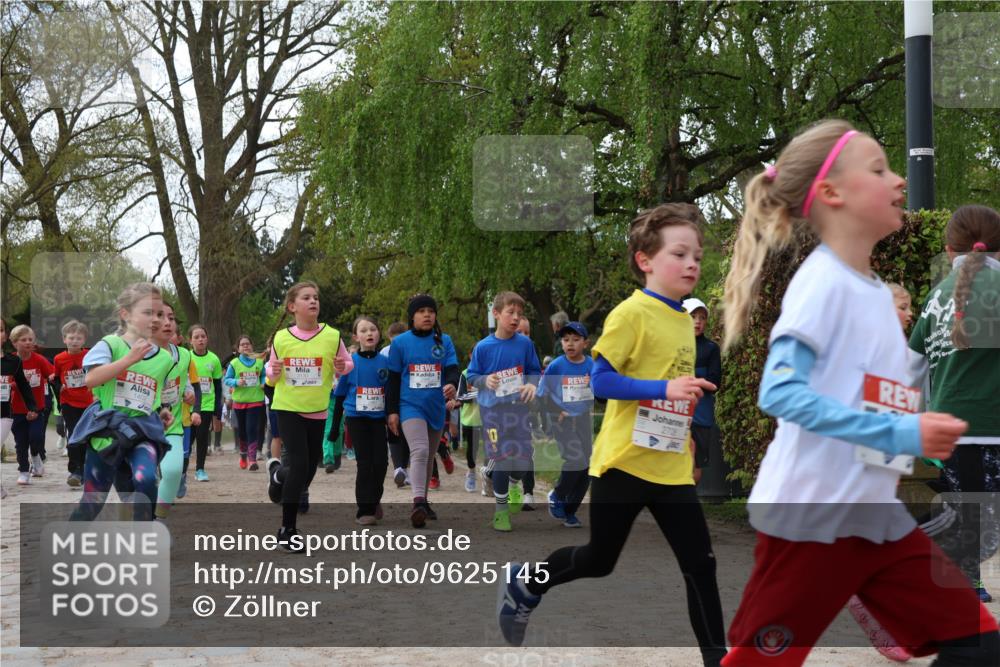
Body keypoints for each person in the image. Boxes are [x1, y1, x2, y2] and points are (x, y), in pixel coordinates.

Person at [718, 120, 997, 666]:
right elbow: (781, 392)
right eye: (879, 169)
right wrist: (901, 431)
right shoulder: (822, 283)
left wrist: (907, 430)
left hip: (875, 519)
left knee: (979, 645)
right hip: (812, 519)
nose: (899, 181)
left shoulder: (872, 291)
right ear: (832, 193)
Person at [496, 203, 726, 666]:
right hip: (623, 464)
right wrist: (664, 389)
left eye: (697, 256)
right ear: (645, 260)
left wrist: (683, 413)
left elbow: (670, 382)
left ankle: (718, 660)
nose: (692, 264)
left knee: (700, 565)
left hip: (670, 467)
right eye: (680, 254)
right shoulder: (630, 313)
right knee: (599, 560)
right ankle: (527, 581)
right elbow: (601, 382)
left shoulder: (684, 320)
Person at [909, 204, 1000, 604]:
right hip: (990, 425)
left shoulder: (934, 297)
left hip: (947, 429)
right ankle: (888, 553)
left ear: (949, 250)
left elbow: (909, 369)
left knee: (968, 514)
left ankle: (963, 584)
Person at [70, 283, 174, 522]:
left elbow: (152, 391)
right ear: (125, 314)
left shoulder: (165, 358)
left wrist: (162, 410)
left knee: (146, 478)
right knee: (92, 503)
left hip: (143, 430)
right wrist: (129, 359)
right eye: (148, 312)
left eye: (160, 314)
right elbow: (91, 379)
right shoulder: (110, 344)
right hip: (108, 432)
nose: (156, 319)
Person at [265, 281, 351, 552]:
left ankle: (278, 475)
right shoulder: (281, 338)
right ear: (293, 306)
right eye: (306, 298)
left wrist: (343, 366)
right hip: (288, 407)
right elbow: (270, 373)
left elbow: (347, 363)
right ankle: (287, 530)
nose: (313, 301)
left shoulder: (332, 336)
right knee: (300, 465)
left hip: (317, 409)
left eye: (316, 297)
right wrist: (272, 372)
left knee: (310, 467)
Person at [468, 292, 541, 531]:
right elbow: (471, 375)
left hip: (518, 410)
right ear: (496, 314)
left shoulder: (525, 344)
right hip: (492, 412)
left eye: (520, 314)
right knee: (500, 460)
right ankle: (501, 512)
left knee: (522, 461)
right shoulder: (483, 347)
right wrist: (485, 380)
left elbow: (534, 371)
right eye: (511, 312)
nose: (516, 318)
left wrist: (532, 385)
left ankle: (513, 483)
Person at [386, 294, 459, 528]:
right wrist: (392, 411)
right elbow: (393, 380)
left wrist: (452, 384)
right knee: (420, 449)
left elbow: (452, 369)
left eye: (431, 311)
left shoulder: (444, 341)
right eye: (421, 311)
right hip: (410, 405)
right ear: (412, 317)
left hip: (436, 406)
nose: (427, 315)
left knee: (428, 455)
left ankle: (424, 501)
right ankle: (417, 502)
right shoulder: (400, 343)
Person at [328, 316, 389, 524]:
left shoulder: (386, 363)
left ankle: (374, 499)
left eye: (373, 329)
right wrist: (334, 429)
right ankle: (364, 510)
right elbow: (339, 396)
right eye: (363, 330)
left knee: (380, 463)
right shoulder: (350, 363)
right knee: (365, 463)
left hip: (378, 419)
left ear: (379, 334)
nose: (369, 333)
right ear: (356, 337)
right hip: (356, 418)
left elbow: (391, 393)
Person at [538, 321, 594, 528]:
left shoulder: (592, 365)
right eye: (565, 339)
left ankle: (569, 511)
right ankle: (557, 494)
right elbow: (541, 394)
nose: (570, 343)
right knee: (575, 460)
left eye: (575, 339)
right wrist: (555, 411)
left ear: (585, 343)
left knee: (587, 468)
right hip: (562, 420)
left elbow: (599, 391)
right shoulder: (556, 366)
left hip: (583, 419)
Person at [152, 301, 200, 519]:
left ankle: (158, 518)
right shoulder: (136, 353)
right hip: (141, 427)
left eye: (170, 318)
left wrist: (189, 393)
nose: (167, 322)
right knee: (144, 480)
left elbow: (184, 382)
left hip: (172, 426)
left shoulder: (185, 355)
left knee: (172, 472)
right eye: (160, 316)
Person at [682, 298, 722, 485]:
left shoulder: (711, 348)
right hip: (674, 412)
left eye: (702, 317)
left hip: (701, 414)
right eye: (693, 316)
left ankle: (688, 498)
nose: (697, 321)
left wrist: (688, 380)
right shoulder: (671, 345)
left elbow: (714, 383)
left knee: (695, 470)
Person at [8, 324, 54, 484]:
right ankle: (23, 471)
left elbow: (52, 373)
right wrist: (17, 383)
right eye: (23, 340)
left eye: (30, 339)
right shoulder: (10, 361)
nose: (28, 342)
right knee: (20, 443)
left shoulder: (39, 359)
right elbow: (5, 382)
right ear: (14, 343)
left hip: (36, 409)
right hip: (16, 410)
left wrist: (55, 377)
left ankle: (35, 457)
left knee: (36, 438)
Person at [53, 320, 95, 487]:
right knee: (74, 435)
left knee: (88, 436)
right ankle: (75, 471)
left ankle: (87, 468)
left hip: (88, 402)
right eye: (71, 338)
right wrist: (59, 386)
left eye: (78, 338)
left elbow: (97, 373)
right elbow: (55, 377)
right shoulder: (59, 359)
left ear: (84, 340)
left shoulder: (90, 355)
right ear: (64, 339)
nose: (74, 341)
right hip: (69, 402)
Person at [1, 318, 39, 490]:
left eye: (1, 330)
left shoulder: (13, 362)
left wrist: (32, 407)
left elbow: (23, 385)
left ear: (5, 336)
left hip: (4, 414)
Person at [224, 335, 266, 471]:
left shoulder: (259, 362)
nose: (246, 346)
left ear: (252, 346)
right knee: (242, 431)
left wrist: (263, 382)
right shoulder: (234, 363)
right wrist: (236, 382)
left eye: (248, 344)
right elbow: (227, 379)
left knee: (252, 429)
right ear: (238, 348)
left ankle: (252, 459)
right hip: (240, 402)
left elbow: (263, 375)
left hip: (255, 400)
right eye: (242, 344)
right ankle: (243, 455)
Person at [189, 325, 223, 481]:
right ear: (190, 341)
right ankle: (181, 470)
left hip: (206, 405)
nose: (200, 339)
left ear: (207, 338)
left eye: (203, 336)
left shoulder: (214, 359)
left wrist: (217, 408)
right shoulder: (187, 357)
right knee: (187, 439)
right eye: (196, 337)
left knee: (202, 438)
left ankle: (200, 470)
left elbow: (217, 386)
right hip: (188, 405)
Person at [382, 321, 411, 487]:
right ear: (389, 338)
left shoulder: (410, 350)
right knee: (393, 431)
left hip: (407, 396)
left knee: (406, 434)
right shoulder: (384, 352)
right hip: (390, 396)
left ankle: (404, 468)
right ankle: (398, 468)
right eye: (394, 341)